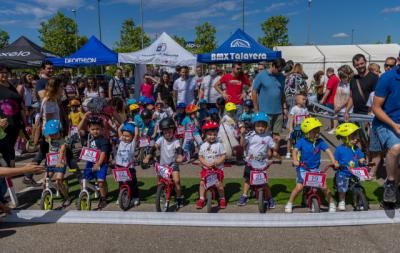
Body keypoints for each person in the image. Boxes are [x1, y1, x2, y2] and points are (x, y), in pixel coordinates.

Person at [284, 117, 338, 213]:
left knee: (324, 187)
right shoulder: (302, 141)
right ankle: (290, 203)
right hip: (303, 168)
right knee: (299, 187)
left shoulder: (320, 142)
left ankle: (331, 203)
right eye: (314, 131)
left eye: (318, 131)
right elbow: (295, 150)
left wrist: (334, 161)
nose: (317, 133)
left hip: (315, 169)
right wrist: (295, 160)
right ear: (307, 132)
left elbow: (328, 151)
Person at [372, 55, 400, 203]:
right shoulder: (387, 78)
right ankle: (389, 183)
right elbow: (375, 108)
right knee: (396, 148)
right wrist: (394, 125)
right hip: (385, 122)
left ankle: (395, 188)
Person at [237, 112, 276, 207]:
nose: (261, 128)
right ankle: (245, 195)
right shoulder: (250, 135)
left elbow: (273, 147)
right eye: (258, 125)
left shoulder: (268, 137)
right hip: (250, 162)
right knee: (247, 180)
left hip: (262, 163)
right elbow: (242, 145)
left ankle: (270, 198)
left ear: (266, 126)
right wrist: (242, 135)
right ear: (254, 125)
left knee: (264, 182)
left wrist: (276, 143)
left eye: (263, 126)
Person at [252, 58, 286, 161]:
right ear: (273, 66)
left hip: (278, 111)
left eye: (281, 70)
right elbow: (254, 92)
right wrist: (256, 109)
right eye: (279, 70)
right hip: (265, 112)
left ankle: (274, 152)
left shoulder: (281, 77)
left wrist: (284, 108)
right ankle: (265, 153)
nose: (280, 72)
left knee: (276, 134)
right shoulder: (261, 75)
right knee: (264, 134)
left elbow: (282, 93)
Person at [345, 54, 379, 151]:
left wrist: (370, 113)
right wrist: (347, 111)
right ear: (354, 66)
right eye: (357, 64)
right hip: (356, 114)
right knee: (357, 139)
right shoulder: (353, 79)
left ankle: (369, 162)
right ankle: (360, 160)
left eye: (362, 63)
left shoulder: (374, 77)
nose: (360, 66)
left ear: (365, 62)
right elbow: (351, 97)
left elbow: (376, 98)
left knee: (368, 141)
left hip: (368, 115)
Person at [78, 115, 110, 209]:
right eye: (92, 129)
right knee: (83, 180)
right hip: (90, 162)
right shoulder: (88, 138)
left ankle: (103, 198)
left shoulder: (104, 140)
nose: (95, 131)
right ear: (89, 129)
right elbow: (78, 129)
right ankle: (82, 195)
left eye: (97, 129)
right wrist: (84, 118)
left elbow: (103, 153)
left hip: (101, 163)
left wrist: (99, 164)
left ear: (102, 129)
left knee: (100, 182)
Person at [153, 118, 184, 208]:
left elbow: (179, 149)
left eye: (169, 131)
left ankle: (178, 198)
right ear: (162, 132)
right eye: (165, 132)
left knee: (176, 181)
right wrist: (148, 156)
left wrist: (179, 156)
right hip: (163, 165)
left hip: (173, 164)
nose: (167, 133)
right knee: (159, 181)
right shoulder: (161, 139)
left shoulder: (175, 141)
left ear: (173, 131)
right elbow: (155, 146)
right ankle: (160, 193)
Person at [334, 123, 366, 211]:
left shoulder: (356, 148)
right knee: (342, 188)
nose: (355, 140)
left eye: (356, 137)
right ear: (345, 139)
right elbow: (335, 161)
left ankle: (360, 200)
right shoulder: (339, 149)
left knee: (358, 186)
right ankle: (342, 201)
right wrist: (336, 164)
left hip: (355, 172)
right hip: (343, 172)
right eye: (352, 138)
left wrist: (362, 160)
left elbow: (361, 157)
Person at [196, 121, 226, 209]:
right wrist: (205, 163)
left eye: (214, 134)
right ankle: (201, 198)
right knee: (202, 183)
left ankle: (222, 198)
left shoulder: (219, 144)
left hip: (217, 169)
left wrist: (217, 162)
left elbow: (223, 155)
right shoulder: (203, 146)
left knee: (219, 184)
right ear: (205, 135)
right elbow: (200, 157)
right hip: (206, 169)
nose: (212, 136)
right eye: (209, 134)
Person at [42, 119, 71, 207]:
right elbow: (44, 134)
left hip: (60, 162)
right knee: (44, 181)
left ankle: (66, 197)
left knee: (58, 180)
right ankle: (44, 196)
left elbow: (62, 152)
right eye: (51, 134)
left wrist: (59, 162)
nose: (53, 136)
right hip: (51, 163)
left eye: (55, 134)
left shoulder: (63, 141)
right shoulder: (49, 138)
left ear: (60, 132)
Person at [116, 123, 140, 206]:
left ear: (132, 137)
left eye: (127, 136)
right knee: (121, 183)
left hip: (129, 167)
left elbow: (136, 134)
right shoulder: (121, 141)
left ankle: (135, 197)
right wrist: (123, 124)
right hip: (119, 166)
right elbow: (119, 130)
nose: (125, 138)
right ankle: (121, 197)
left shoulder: (132, 144)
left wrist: (135, 125)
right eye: (124, 135)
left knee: (132, 184)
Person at [286, 93, 309, 159]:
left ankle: (302, 151)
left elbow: (307, 118)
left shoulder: (305, 109)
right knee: (290, 138)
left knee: (303, 139)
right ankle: (288, 152)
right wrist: (291, 127)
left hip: (302, 127)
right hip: (295, 126)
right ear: (297, 101)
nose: (305, 100)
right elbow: (291, 118)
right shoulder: (294, 109)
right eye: (303, 99)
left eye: (305, 99)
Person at [320, 67, 340, 134]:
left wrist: (323, 99)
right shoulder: (336, 78)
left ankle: (334, 128)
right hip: (334, 99)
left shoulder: (332, 79)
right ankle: (332, 127)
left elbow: (328, 90)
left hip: (332, 100)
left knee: (333, 115)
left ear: (328, 73)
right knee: (332, 115)